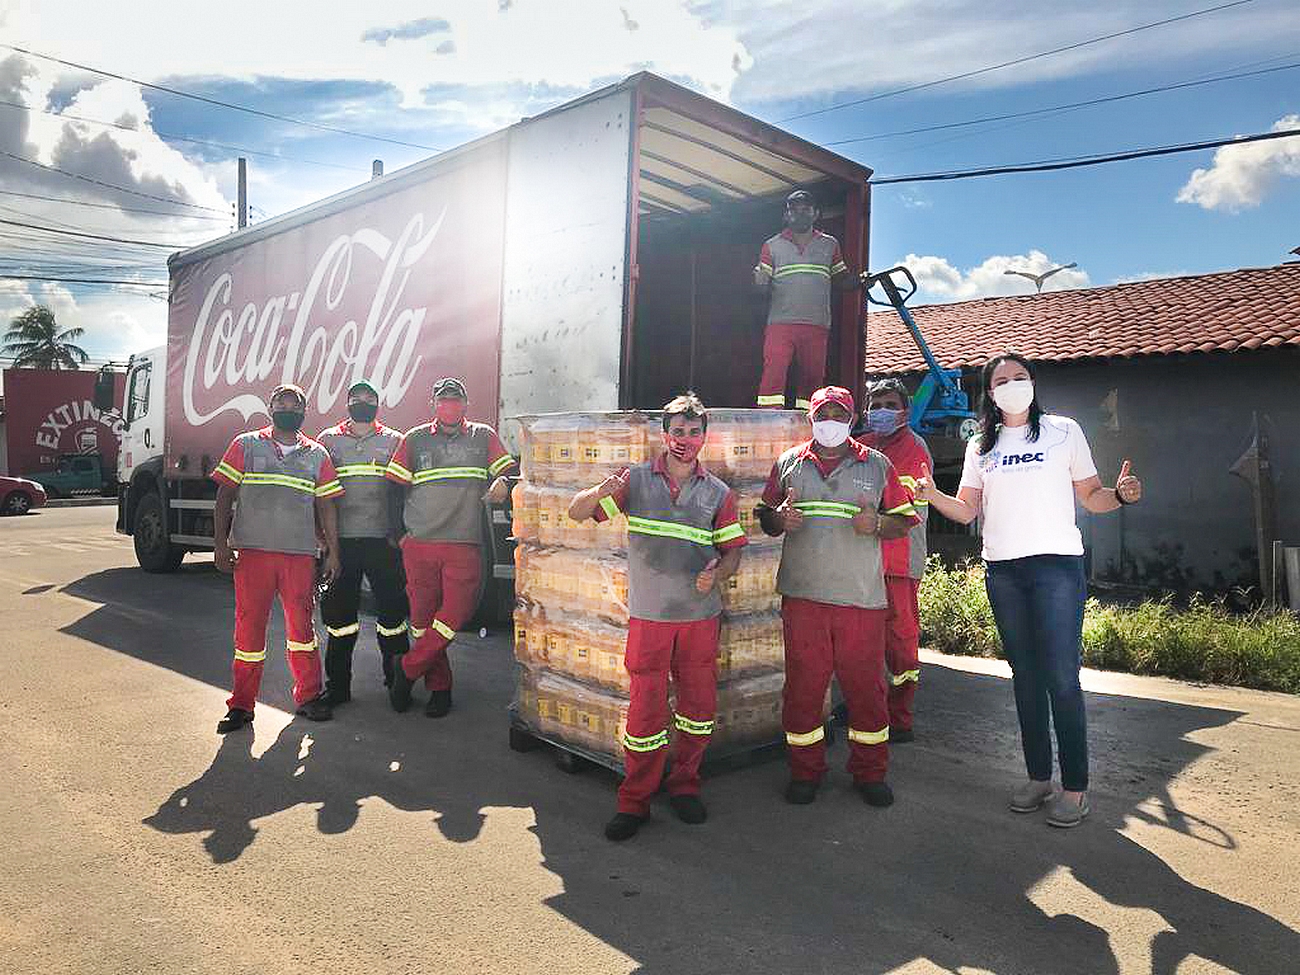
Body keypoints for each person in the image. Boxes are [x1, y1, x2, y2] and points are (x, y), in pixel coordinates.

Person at [914, 352, 1143, 828]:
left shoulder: (1064, 431)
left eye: (1021, 377)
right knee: (1025, 677)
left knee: (1061, 676)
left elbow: (1092, 497)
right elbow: (966, 511)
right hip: (1004, 572)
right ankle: (1039, 777)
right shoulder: (981, 445)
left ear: (1033, 384)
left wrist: (1119, 495)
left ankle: (1075, 788)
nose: (1013, 384)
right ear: (990, 393)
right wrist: (931, 495)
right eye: (1002, 380)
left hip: (1057, 567)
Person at [568, 392, 747, 841]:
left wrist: (718, 574)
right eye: (678, 431)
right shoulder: (637, 481)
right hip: (649, 617)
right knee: (645, 712)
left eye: (693, 432)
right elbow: (576, 513)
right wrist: (599, 492)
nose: (685, 440)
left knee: (697, 708)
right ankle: (635, 801)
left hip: (699, 619)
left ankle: (684, 786)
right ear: (663, 435)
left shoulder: (718, 493)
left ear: (705, 436)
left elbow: (733, 554)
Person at [758, 386, 919, 807]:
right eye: (823, 413)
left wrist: (878, 524)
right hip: (803, 596)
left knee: (866, 689)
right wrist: (779, 520)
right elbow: (766, 518)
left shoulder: (878, 464)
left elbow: (904, 523)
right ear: (812, 417)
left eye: (839, 413)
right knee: (804, 689)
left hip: (861, 600)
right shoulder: (788, 463)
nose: (830, 420)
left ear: (851, 419)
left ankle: (870, 772)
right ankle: (805, 771)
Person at [211, 384, 343, 734]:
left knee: (302, 630)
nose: (289, 407)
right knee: (248, 630)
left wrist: (333, 552)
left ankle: (309, 696)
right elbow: (224, 496)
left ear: (304, 410)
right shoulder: (246, 444)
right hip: (253, 554)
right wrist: (221, 545)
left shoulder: (317, 454)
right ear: (270, 408)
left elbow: (326, 505)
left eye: (295, 403)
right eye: (282, 402)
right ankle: (241, 705)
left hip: (299, 555)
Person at [384, 377, 515, 718]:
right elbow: (393, 488)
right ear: (434, 404)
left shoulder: (482, 436)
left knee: (455, 615)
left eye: (455, 399)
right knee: (423, 621)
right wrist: (397, 533)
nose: (449, 405)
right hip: (420, 543)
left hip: (464, 542)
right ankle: (439, 688)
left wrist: (503, 481)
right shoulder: (414, 439)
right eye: (443, 399)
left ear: (465, 404)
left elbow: (509, 471)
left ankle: (407, 668)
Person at [316, 380, 410, 704]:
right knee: (340, 621)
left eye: (369, 397)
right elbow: (319, 494)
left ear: (378, 403)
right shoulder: (327, 441)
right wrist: (325, 542)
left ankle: (397, 683)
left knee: (393, 618)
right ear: (347, 403)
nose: (363, 402)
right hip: (341, 544)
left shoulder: (395, 441)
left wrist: (400, 534)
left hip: (383, 543)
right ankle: (338, 688)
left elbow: (402, 493)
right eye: (356, 397)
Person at [856, 378, 932, 741]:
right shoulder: (863, 446)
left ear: (905, 411)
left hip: (900, 561)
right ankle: (870, 706)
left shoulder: (914, 449)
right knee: (866, 643)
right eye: (876, 404)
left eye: (890, 404)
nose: (881, 411)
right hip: (865, 562)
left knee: (900, 640)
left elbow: (902, 512)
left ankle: (900, 716)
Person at [753, 189, 860, 410]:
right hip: (780, 323)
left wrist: (861, 280)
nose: (799, 214)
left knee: (812, 378)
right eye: (794, 210)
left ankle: (807, 421)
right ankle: (768, 418)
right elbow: (760, 290)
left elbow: (842, 279)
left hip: (816, 324)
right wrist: (759, 283)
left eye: (805, 210)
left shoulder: (830, 244)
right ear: (786, 215)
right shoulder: (771, 245)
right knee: (773, 373)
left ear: (816, 213)